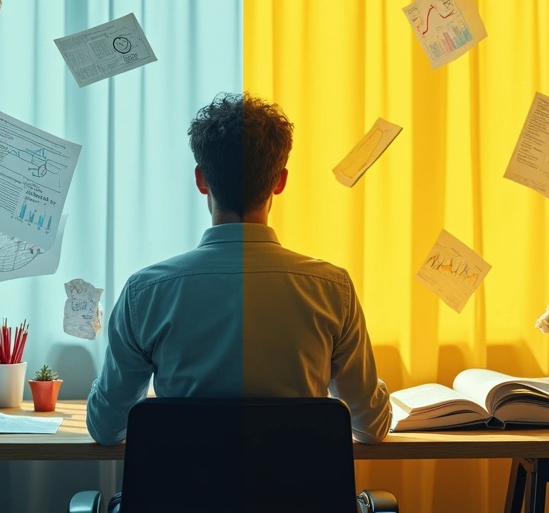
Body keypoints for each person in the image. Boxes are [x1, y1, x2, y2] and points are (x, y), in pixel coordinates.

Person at [86, 93, 391, 450]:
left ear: (201, 180)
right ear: (280, 181)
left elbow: (106, 428)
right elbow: (372, 426)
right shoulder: (331, 289)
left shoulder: (146, 293)